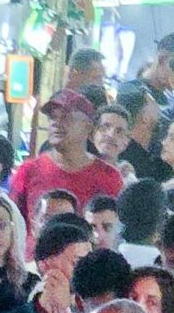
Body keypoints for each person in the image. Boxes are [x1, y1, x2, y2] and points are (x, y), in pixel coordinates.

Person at [8, 90, 127, 226]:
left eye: (66, 117)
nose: (56, 123)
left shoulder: (109, 177)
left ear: (88, 127)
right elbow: (13, 225)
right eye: (52, 117)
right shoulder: (28, 171)